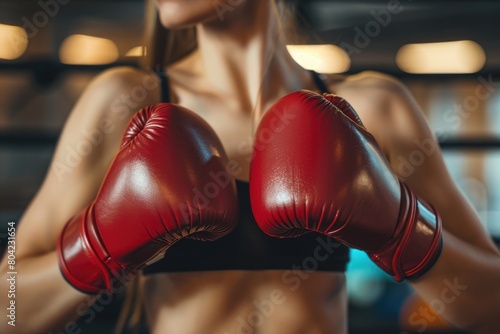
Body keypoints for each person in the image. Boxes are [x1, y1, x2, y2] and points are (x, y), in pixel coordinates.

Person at [1, 0, 500, 333]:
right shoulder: (125, 103)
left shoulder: (375, 106)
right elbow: (9, 305)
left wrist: (399, 229)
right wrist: (95, 247)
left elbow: (490, 303)